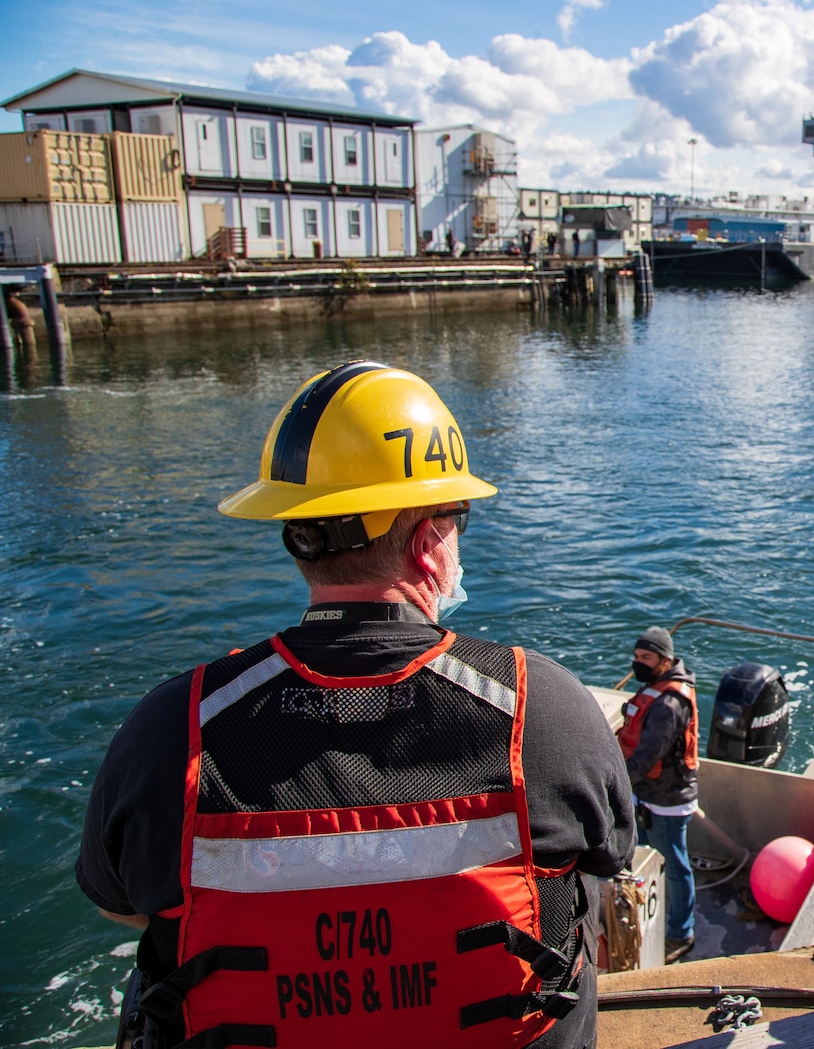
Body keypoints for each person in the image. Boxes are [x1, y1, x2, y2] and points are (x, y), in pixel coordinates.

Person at [77, 361, 635, 1049]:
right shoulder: (543, 709)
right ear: (429, 547)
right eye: (456, 518)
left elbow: (121, 905)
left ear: (297, 533)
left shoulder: (171, 727)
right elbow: (608, 859)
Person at [617, 627, 699, 963]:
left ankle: (681, 932)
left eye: (646, 658)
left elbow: (647, 757)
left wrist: (617, 783)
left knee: (676, 864)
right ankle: (652, 917)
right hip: (648, 794)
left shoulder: (668, 704)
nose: (639, 663)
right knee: (651, 857)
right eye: (636, 657)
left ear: (664, 660)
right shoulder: (654, 690)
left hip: (667, 799)